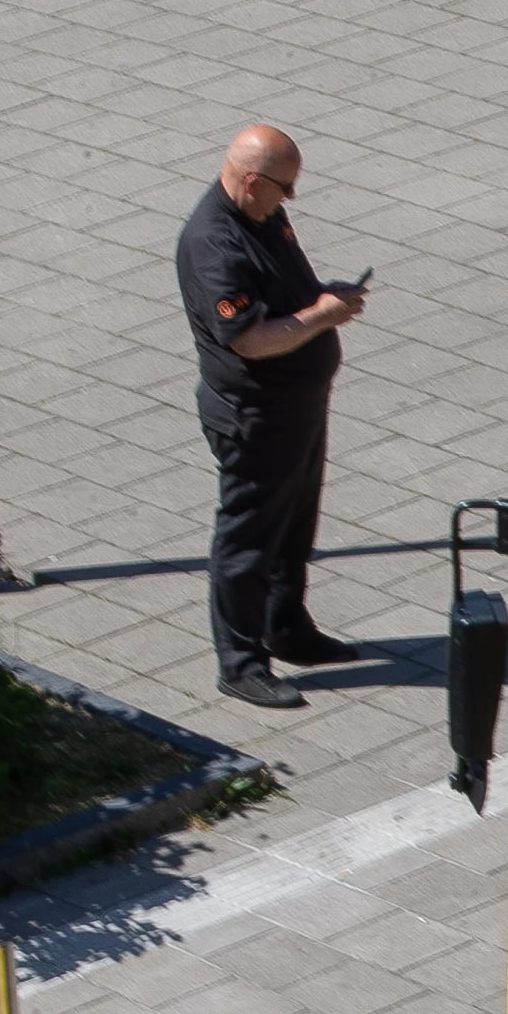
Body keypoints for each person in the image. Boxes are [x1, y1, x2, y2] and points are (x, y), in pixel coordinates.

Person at [176, 124, 365, 707]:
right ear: (251, 180)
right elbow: (251, 340)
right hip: (254, 415)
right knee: (249, 540)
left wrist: (320, 299)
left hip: (297, 407)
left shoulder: (261, 213)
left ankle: (287, 628)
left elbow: (288, 290)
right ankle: (240, 662)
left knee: (293, 524)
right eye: (284, 188)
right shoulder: (215, 245)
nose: (290, 200)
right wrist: (324, 317)